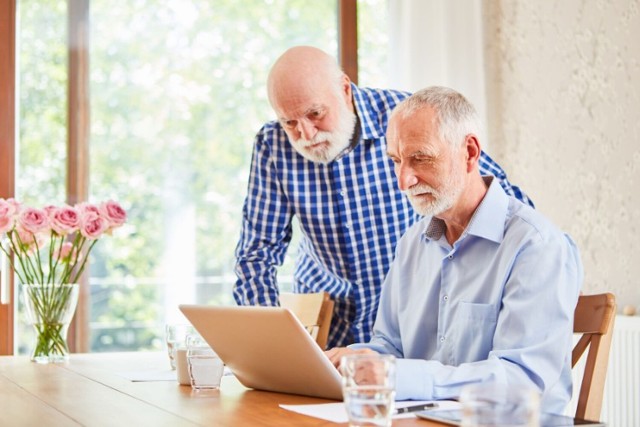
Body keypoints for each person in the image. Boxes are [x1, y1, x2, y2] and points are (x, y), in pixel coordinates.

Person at [233, 46, 534, 348]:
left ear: (345, 90)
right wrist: (270, 342)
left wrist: (530, 260)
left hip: (407, 326)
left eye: (315, 114)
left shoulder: (405, 118)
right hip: (326, 328)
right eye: (290, 123)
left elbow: (498, 198)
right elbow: (256, 254)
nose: (306, 134)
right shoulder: (272, 146)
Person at [326, 86, 583, 414]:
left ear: (470, 152)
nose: (403, 181)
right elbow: (388, 346)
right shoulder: (411, 244)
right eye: (396, 161)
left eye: (420, 158)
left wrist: (400, 376)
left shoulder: (536, 246)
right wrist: (352, 361)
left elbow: (522, 378)